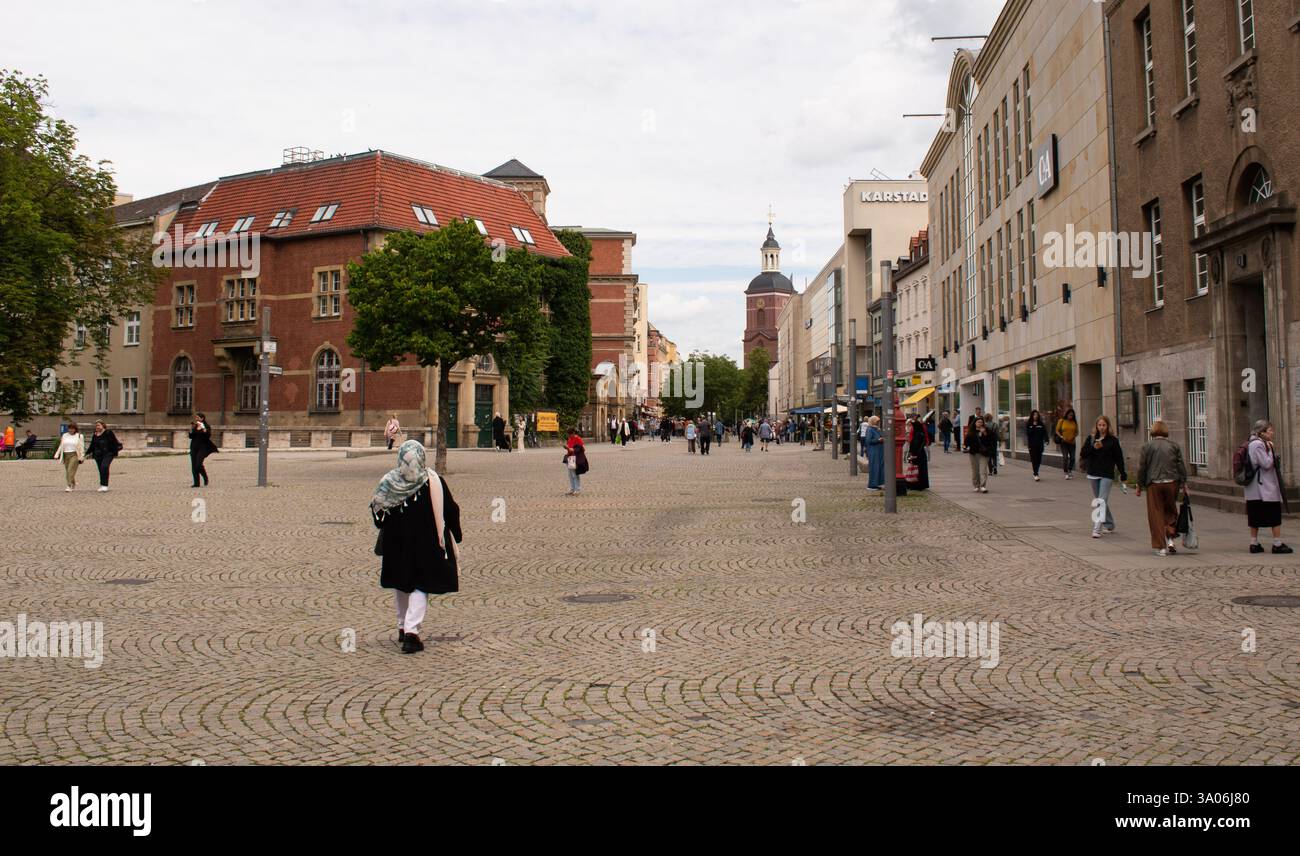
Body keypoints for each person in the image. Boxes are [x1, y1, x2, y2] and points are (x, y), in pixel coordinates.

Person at [371, 440, 462, 655]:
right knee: (421, 584)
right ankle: (411, 633)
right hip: (426, 543)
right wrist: (456, 535)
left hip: (397, 544)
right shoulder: (434, 481)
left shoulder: (389, 482)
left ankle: (403, 626)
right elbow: (450, 509)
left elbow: (378, 516)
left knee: (401, 583)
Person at [1135, 420, 1187, 557]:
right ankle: (1170, 539)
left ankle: (1160, 546)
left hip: (1154, 483)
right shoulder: (1174, 446)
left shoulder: (1147, 446)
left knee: (1156, 514)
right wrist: (1184, 482)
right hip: (1172, 482)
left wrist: (1139, 484)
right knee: (1170, 510)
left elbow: (1142, 467)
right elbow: (1180, 465)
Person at [1243, 420, 1292, 554]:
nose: (1272, 433)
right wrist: (1271, 450)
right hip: (1264, 488)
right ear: (1262, 432)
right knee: (1274, 515)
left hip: (1256, 489)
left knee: (1255, 516)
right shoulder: (1258, 444)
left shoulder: (1253, 443)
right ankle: (1277, 543)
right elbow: (1266, 464)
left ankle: (1254, 543)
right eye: (1269, 430)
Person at [1079, 415, 1128, 539]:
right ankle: (1110, 524)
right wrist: (1093, 448)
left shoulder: (1112, 440)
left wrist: (1123, 474)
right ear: (1096, 426)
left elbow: (1119, 458)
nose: (1101, 428)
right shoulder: (1091, 439)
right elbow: (1083, 454)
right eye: (1099, 425)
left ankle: (1097, 528)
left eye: (1104, 425)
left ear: (1108, 426)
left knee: (1100, 501)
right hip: (1093, 473)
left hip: (1107, 474)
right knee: (1101, 500)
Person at [87, 420, 123, 492]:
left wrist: (114, 451)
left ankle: (105, 485)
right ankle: (102, 484)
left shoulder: (108, 433)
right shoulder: (95, 435)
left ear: (103, 426)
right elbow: (92, 445)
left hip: (108, 454)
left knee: (104, 466)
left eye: (98, 425)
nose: (97, 427)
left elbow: (114, 442)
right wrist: (86, 453)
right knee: (101, 469)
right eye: (96, 425)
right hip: (98, 455)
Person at [53, 422, 85, 491]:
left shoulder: (79, 436)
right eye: (69, 428)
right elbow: (61, 445)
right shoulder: (65, 435)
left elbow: (82, 447)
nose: (71, 430)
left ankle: (69, 486)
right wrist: (57, 454)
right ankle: (73, 483)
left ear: (75, 429)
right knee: (68, 471)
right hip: (66, 455)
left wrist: (82, 457)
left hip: (75, 455)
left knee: (70, 470)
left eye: (72, 428)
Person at [967, 417, 995, 492]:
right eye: (978, 422)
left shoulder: (987, 431)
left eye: (981, 422)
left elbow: (991, 441)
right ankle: (976, 485)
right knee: (975, 470)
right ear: (975, 423)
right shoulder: (971, 432)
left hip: (984, 453)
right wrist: (965, 446)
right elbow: (967, 441)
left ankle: (983, 486)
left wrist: (984, 434)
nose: (980, 423)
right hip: (974, 453)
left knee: (983, 470)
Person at [189, 412, 217, 487]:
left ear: (202, 418)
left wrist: (204, 429)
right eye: (196, 418)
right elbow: (191, 437)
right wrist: (191, 430)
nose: (196, 419)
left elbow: (208, 435)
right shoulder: (195, 426)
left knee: (198, 464)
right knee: (194, 466)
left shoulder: (206, 426)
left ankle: (205, 477)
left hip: (202, 447)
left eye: (198, 418)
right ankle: (196, 483)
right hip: (194, 447)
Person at [906, 415, 930, 491]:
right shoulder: (921, 433)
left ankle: (916, 485)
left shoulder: (917, 435)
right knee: (922, 470)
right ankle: (922, 484)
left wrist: (911, 454)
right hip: (921, 454)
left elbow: (914, 446)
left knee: (916, 470)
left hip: (917, 454)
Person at [1055, 408, 1079, 479]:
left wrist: (1073, 436)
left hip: (1072, 443)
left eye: (1072, 415)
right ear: (1067, 414)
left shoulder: (1074, 422)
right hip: (1064, 442)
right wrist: (1061, 436)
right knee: (1065, 457)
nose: (1071, 416)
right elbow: (1057, 430)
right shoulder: (1062, 421)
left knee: (1073, 458)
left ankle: (1070, 470)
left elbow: (1077, 432)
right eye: (1069, 415)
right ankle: (1066, 472)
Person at [1025, 410, 1048, 481]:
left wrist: (1047, 439)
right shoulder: (1029, 424)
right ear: (1032, 416)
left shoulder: (1041, 424)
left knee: (1039, 460)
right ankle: (1035, 473)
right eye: (1034, 415)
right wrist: (1034, 426)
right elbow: (1028, 434)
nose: (1036, 416)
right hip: (1032, 445)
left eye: (1037, 415)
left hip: (1040, 444)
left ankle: (1035, 471)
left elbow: (1045, 433)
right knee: (1034, 459)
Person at [865, 415, 885, 491]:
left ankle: (876, 483)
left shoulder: (876, 429)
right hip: (874, 451)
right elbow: (868, 440)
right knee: (874, 467)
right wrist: (878, 440)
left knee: (879, 467)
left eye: (878, 422)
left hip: (879, 451)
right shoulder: (870, 429)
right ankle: (872, 484)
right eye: (877, 421)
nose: (878, 423)